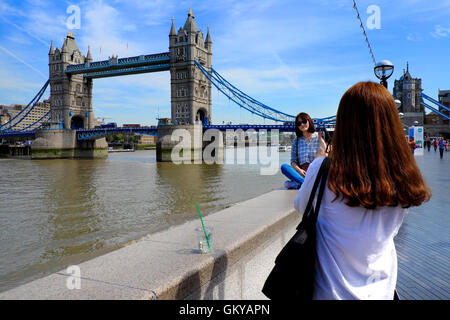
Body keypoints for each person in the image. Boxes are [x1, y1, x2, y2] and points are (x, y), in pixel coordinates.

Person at [294, 81, 431, 300]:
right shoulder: (402, 175)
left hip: (330, 293)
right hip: (382, 291)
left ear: (344, 123)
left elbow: (301, 207)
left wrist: (321, 157)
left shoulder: (324, 169)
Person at [281, 112, 326, 188]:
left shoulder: (319, 136)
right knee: (284, 167)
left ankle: (300, 184)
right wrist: (300, 171)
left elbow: (324, 154)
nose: (302, 124)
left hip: (316, 171)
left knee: (287, 183)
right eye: (299, 123)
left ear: (309, 121)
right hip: (302, 173)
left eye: (304, 121)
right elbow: (293, 161)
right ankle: (308, 184)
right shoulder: (296, 141)